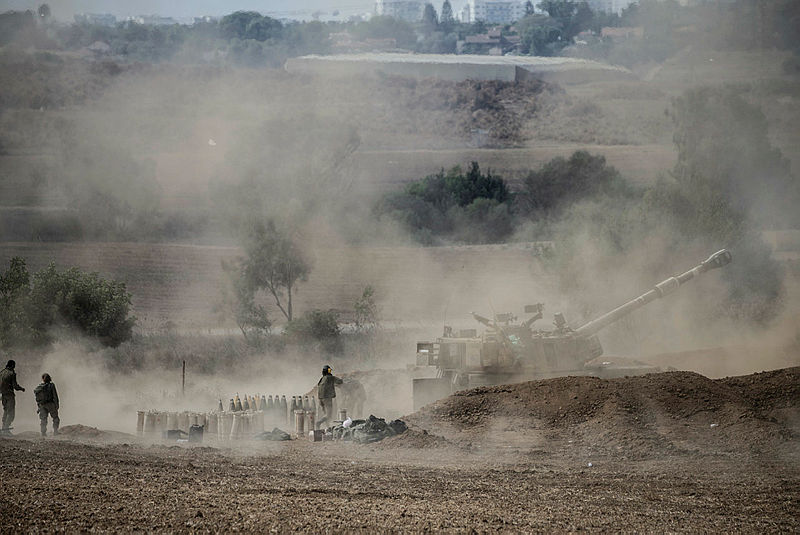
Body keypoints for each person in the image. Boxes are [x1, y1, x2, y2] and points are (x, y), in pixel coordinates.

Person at [0, 359, 25, 434]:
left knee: (5, 411)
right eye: (14, 366)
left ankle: (3, 427)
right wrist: (21, 389)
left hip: (3, 395)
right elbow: (15, 386)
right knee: (11, 413)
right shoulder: (12, 373)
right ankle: (6, 429)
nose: (14, 367)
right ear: (12, 365)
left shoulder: (1, 372)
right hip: (10, 395)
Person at [34, 373, 59, 437]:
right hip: (50, 404)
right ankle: (55, 432)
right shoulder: (51, 385)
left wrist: (39, 407)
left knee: (43, 419)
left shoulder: (40, 387)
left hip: (42, 405)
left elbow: (37, 397)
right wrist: (57, 405)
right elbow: (55, 396)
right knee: (55, 418)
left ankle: (43, 433)